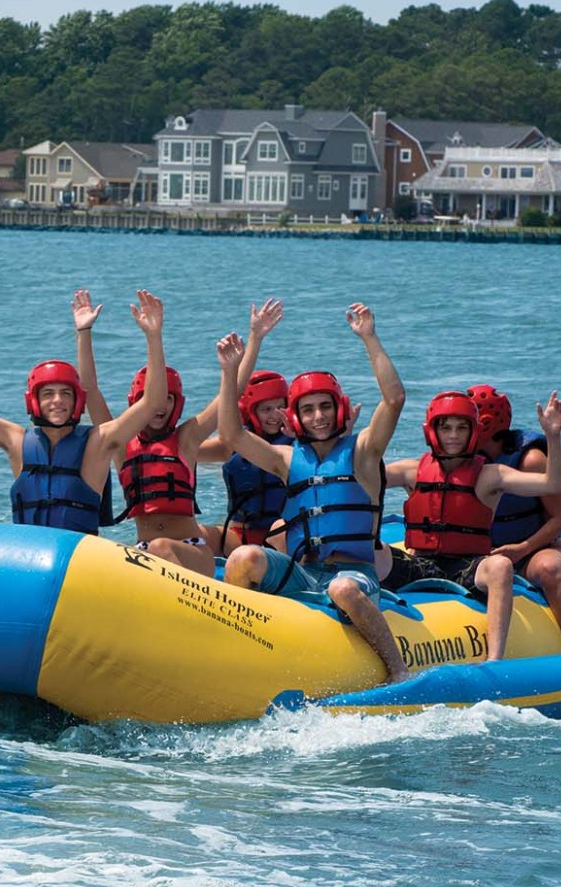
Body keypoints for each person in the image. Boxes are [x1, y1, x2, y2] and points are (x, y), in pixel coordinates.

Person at [217, 302, 410, 684]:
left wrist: (369, 338)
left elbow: (394, 400)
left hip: (356, 575)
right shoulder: (287, 459)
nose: (318, 416)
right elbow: (231, 435)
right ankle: (236, 653)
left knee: (342, 587)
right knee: (243, 557)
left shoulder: (363, 452)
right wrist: (228, 372)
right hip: (306, 574)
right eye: (308, 410)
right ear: (295, 417)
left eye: (324, 407)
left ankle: (398, 669)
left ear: (338, 409)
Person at [72, 293, 282, 574]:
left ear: (177, 403)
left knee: (160, 547)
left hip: (192, 550)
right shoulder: (120, 444)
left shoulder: (187, 438)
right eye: (157, 398)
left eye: (169, 398)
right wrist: (84, 331)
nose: (160, 405)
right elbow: (89, 391)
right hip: (144, 551)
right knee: (132, 552)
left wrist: (254, 338)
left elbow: (231, 393)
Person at [0, 288, 168, 534]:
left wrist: (153, 337)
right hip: (28, 554)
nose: (57, 401)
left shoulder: (98, 442)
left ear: (77, 400)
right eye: (48, 394)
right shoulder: (16, 441)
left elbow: (152, 402)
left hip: (78, 557)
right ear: (34, 400)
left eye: (65, 393)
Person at [382, 389, 561, 661]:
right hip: (421, 563)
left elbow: (553, 484)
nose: (454, 435)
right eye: (446, 428)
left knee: (500, 567)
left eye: (462, 428)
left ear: (474, 432)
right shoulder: (411, 470)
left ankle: (494, 660)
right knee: (371, 550)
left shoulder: (491, 475)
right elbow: (363, 474)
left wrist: (553, 436)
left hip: (466, 566)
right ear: (432, 430)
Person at [466, 384, 561, 653]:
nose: (458, 431)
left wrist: (522, 549)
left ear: (484, 424)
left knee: (549, 570)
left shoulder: (530, 460)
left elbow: (560, 519)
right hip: (491, 556)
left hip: (539, 550)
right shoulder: (467, 461)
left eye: (465, 423)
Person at [215, 362, 293, 554]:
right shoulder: (232, 444)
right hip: (239, 534)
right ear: (251, 411)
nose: (275, 415)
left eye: (280, 407)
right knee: (200, 534)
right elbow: (186, 449)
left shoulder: (298, 446)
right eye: (266, 409)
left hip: (282, 536)